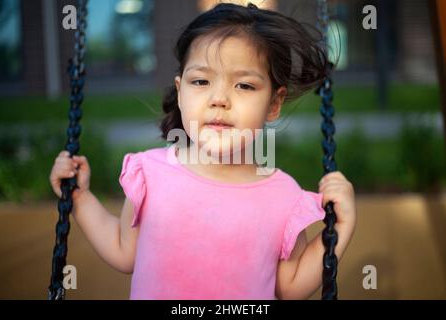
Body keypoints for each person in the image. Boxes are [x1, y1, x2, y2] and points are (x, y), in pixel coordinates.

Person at [49, 2, 356, 300]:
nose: (219, 99)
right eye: (201, 81)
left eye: (244, 86)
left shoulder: (283, 197)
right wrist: (78, 198)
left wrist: (340, 228)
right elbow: (122, 249)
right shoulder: (151, 175)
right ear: (180, 92)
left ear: (274, 104)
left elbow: (290, 287)